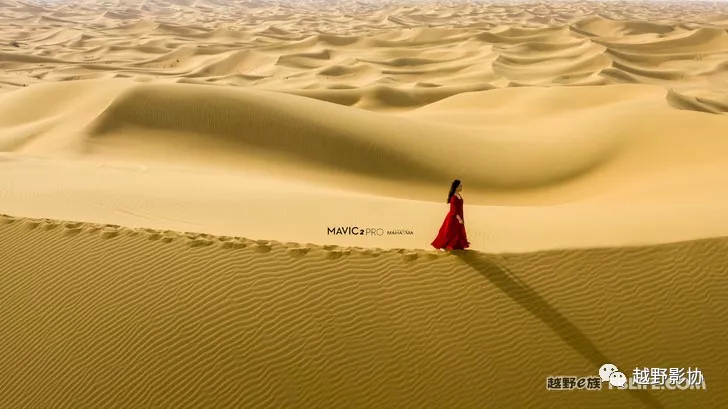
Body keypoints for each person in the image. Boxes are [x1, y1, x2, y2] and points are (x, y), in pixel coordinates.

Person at [431, 179, 470, 250]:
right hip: (454, 218)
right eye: (460, 186)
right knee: (450, 233)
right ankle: (445, 247)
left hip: (459, 217)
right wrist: (459, 219)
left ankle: (457, 247)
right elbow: (453, 210)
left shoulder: (458, 195)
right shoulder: (453, 198)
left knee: (458, 232)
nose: (461, 187)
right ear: (456, 187)